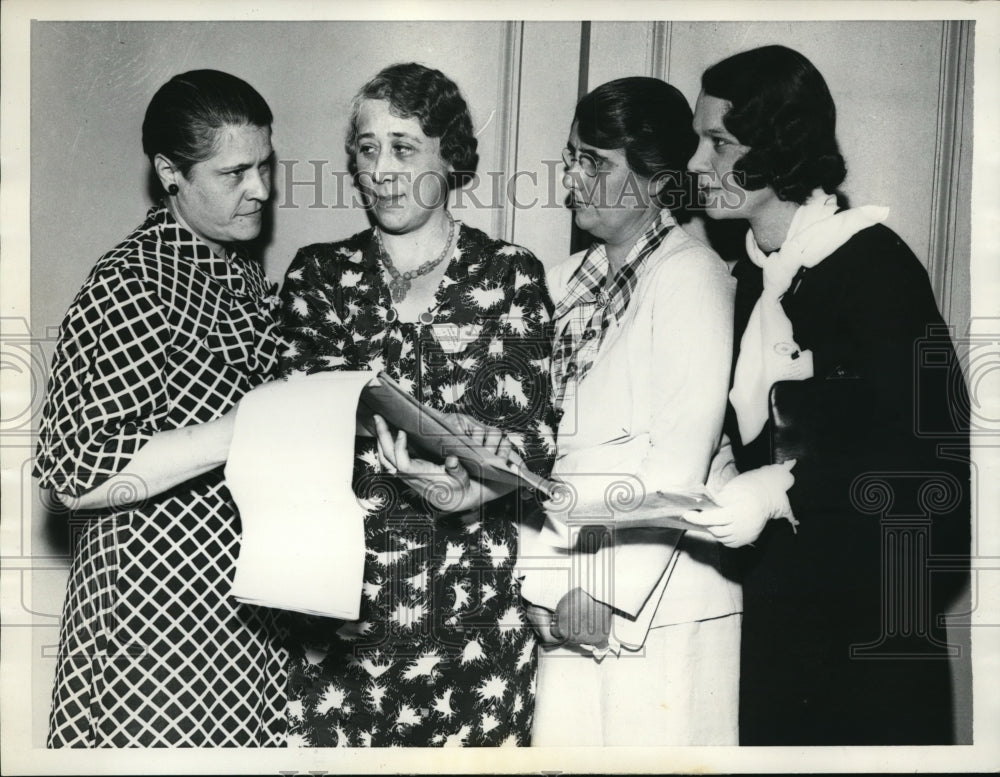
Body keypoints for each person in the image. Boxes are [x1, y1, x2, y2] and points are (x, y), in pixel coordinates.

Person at [685, 44, 970, 745]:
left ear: (779, 147)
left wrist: (786, 486)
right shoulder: (750, 277)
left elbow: (933, 461)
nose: (696, 163)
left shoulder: (875, 266)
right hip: (781, 623)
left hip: (872, 635)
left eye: (718, 142)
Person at [276, 62, 555, 747]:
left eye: (403, 148)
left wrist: (466, 490)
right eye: (367, 149)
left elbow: (532, 443)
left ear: (450, 156)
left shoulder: (510, 275)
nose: (381, 170)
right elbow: (297, 430)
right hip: (342, 622)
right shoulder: (319, 275)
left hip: (476, 628)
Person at [35, 70, 287, 747]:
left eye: (264, 165)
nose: (260, 189)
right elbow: (72, 473)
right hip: (151, 627)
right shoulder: (130, 281)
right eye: (233, 173)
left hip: (240, 617)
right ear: (170, 172)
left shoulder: (240, 274)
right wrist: (249, 428)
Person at [516, 77, 740, 746]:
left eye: (596, 163)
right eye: (572, 157)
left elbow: (677, 460)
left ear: (658, 180)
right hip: (567, 594)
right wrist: (540, 584)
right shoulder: (558, 284)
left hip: (658, 604)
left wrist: (600, 585)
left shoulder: (691, 275)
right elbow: (540, 456)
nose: (572, 177)